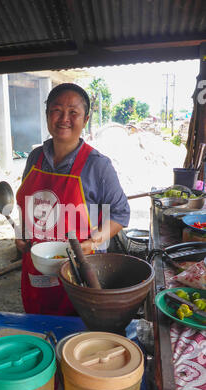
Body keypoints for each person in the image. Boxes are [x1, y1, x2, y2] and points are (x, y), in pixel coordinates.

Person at [15, 83, 130, 316]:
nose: (64, 118)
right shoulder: (35, 157)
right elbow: (27, 203)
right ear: (47, 115)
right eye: (56, 110)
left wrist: (95, 241)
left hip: (78, 267)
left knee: (74, 333)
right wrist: (22, 235)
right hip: (37, 268)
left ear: (85, 119)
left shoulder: (98, 165)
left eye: (73, 112)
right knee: (39, 328)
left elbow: (119, 213)